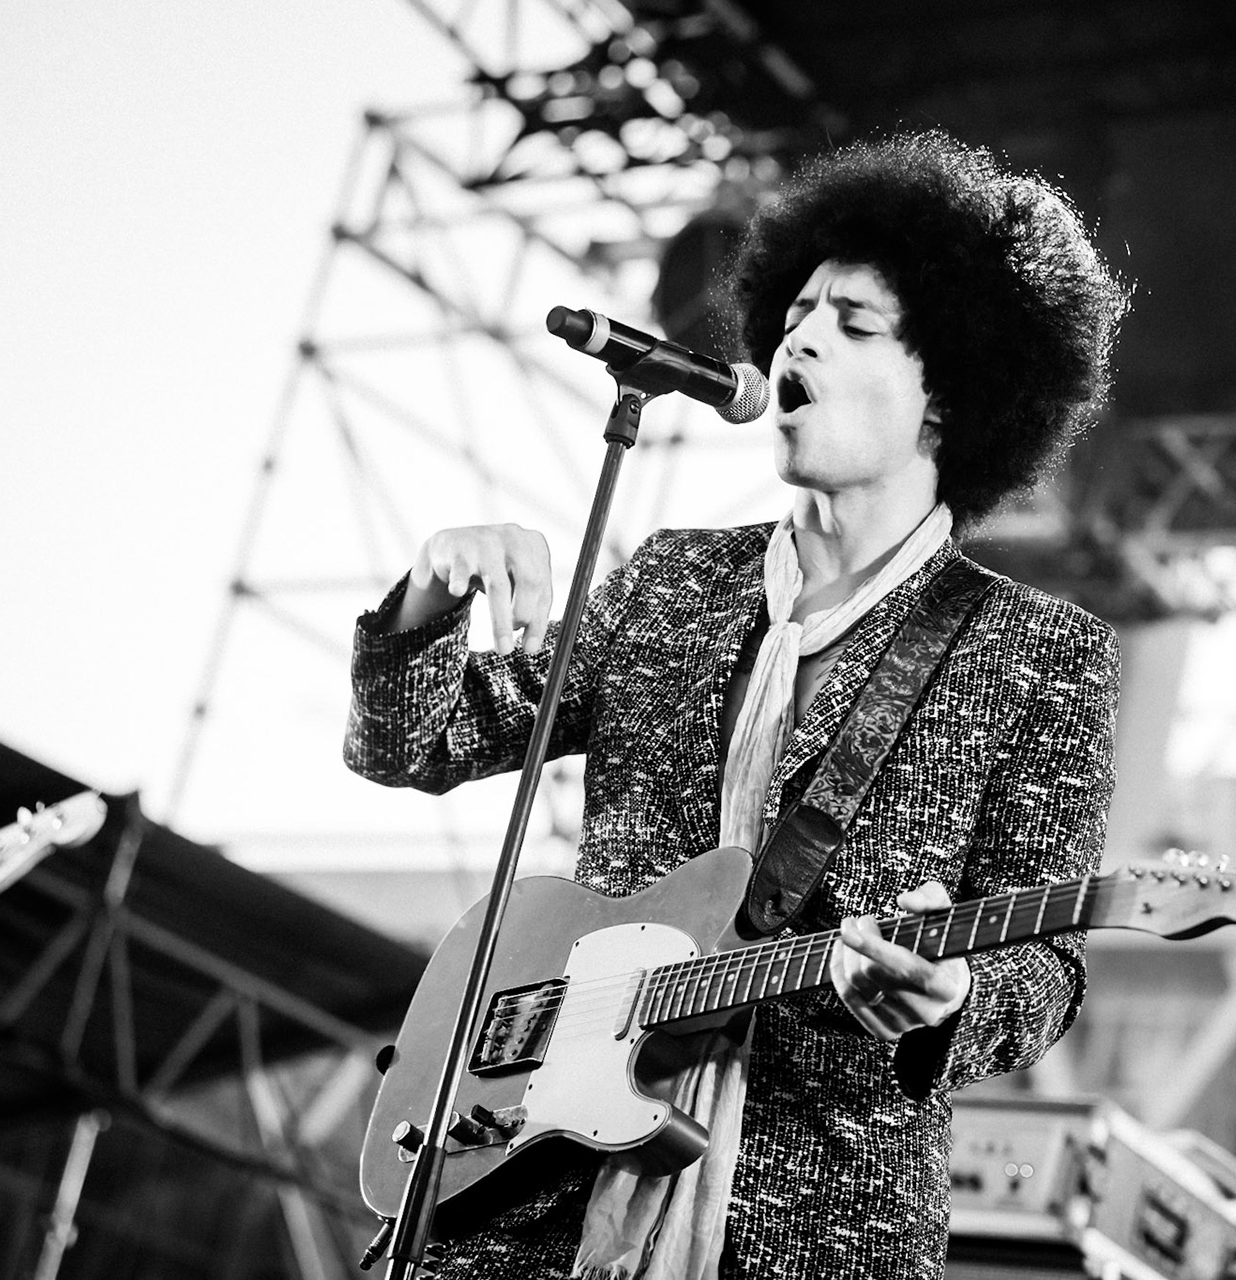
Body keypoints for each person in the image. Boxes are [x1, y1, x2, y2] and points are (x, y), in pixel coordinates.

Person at [345, 130, 1128, 1279]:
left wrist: (953, 995)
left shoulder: (1043, 653)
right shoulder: (673, 579)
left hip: (810, 1217)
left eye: (853, 323)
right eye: (796, 311)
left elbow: (1047, 968)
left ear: (949, 396)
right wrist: (429, 591)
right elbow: (411, 740)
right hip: (521, 1186)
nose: (798, 336)